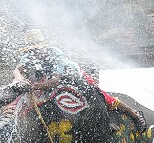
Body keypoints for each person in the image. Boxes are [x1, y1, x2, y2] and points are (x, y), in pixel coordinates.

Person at [13, 29, 146, 131]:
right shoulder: (30, 56)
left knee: (101, 96)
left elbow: (57, 80)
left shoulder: (54, 53)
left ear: (43, 47)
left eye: (36, 49)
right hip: (47, 83)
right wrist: (20, 80)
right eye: (32, 50)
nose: (34, 53)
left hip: (73, 78)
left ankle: (133, 113)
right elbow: (17, 70)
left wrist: (35, 86)